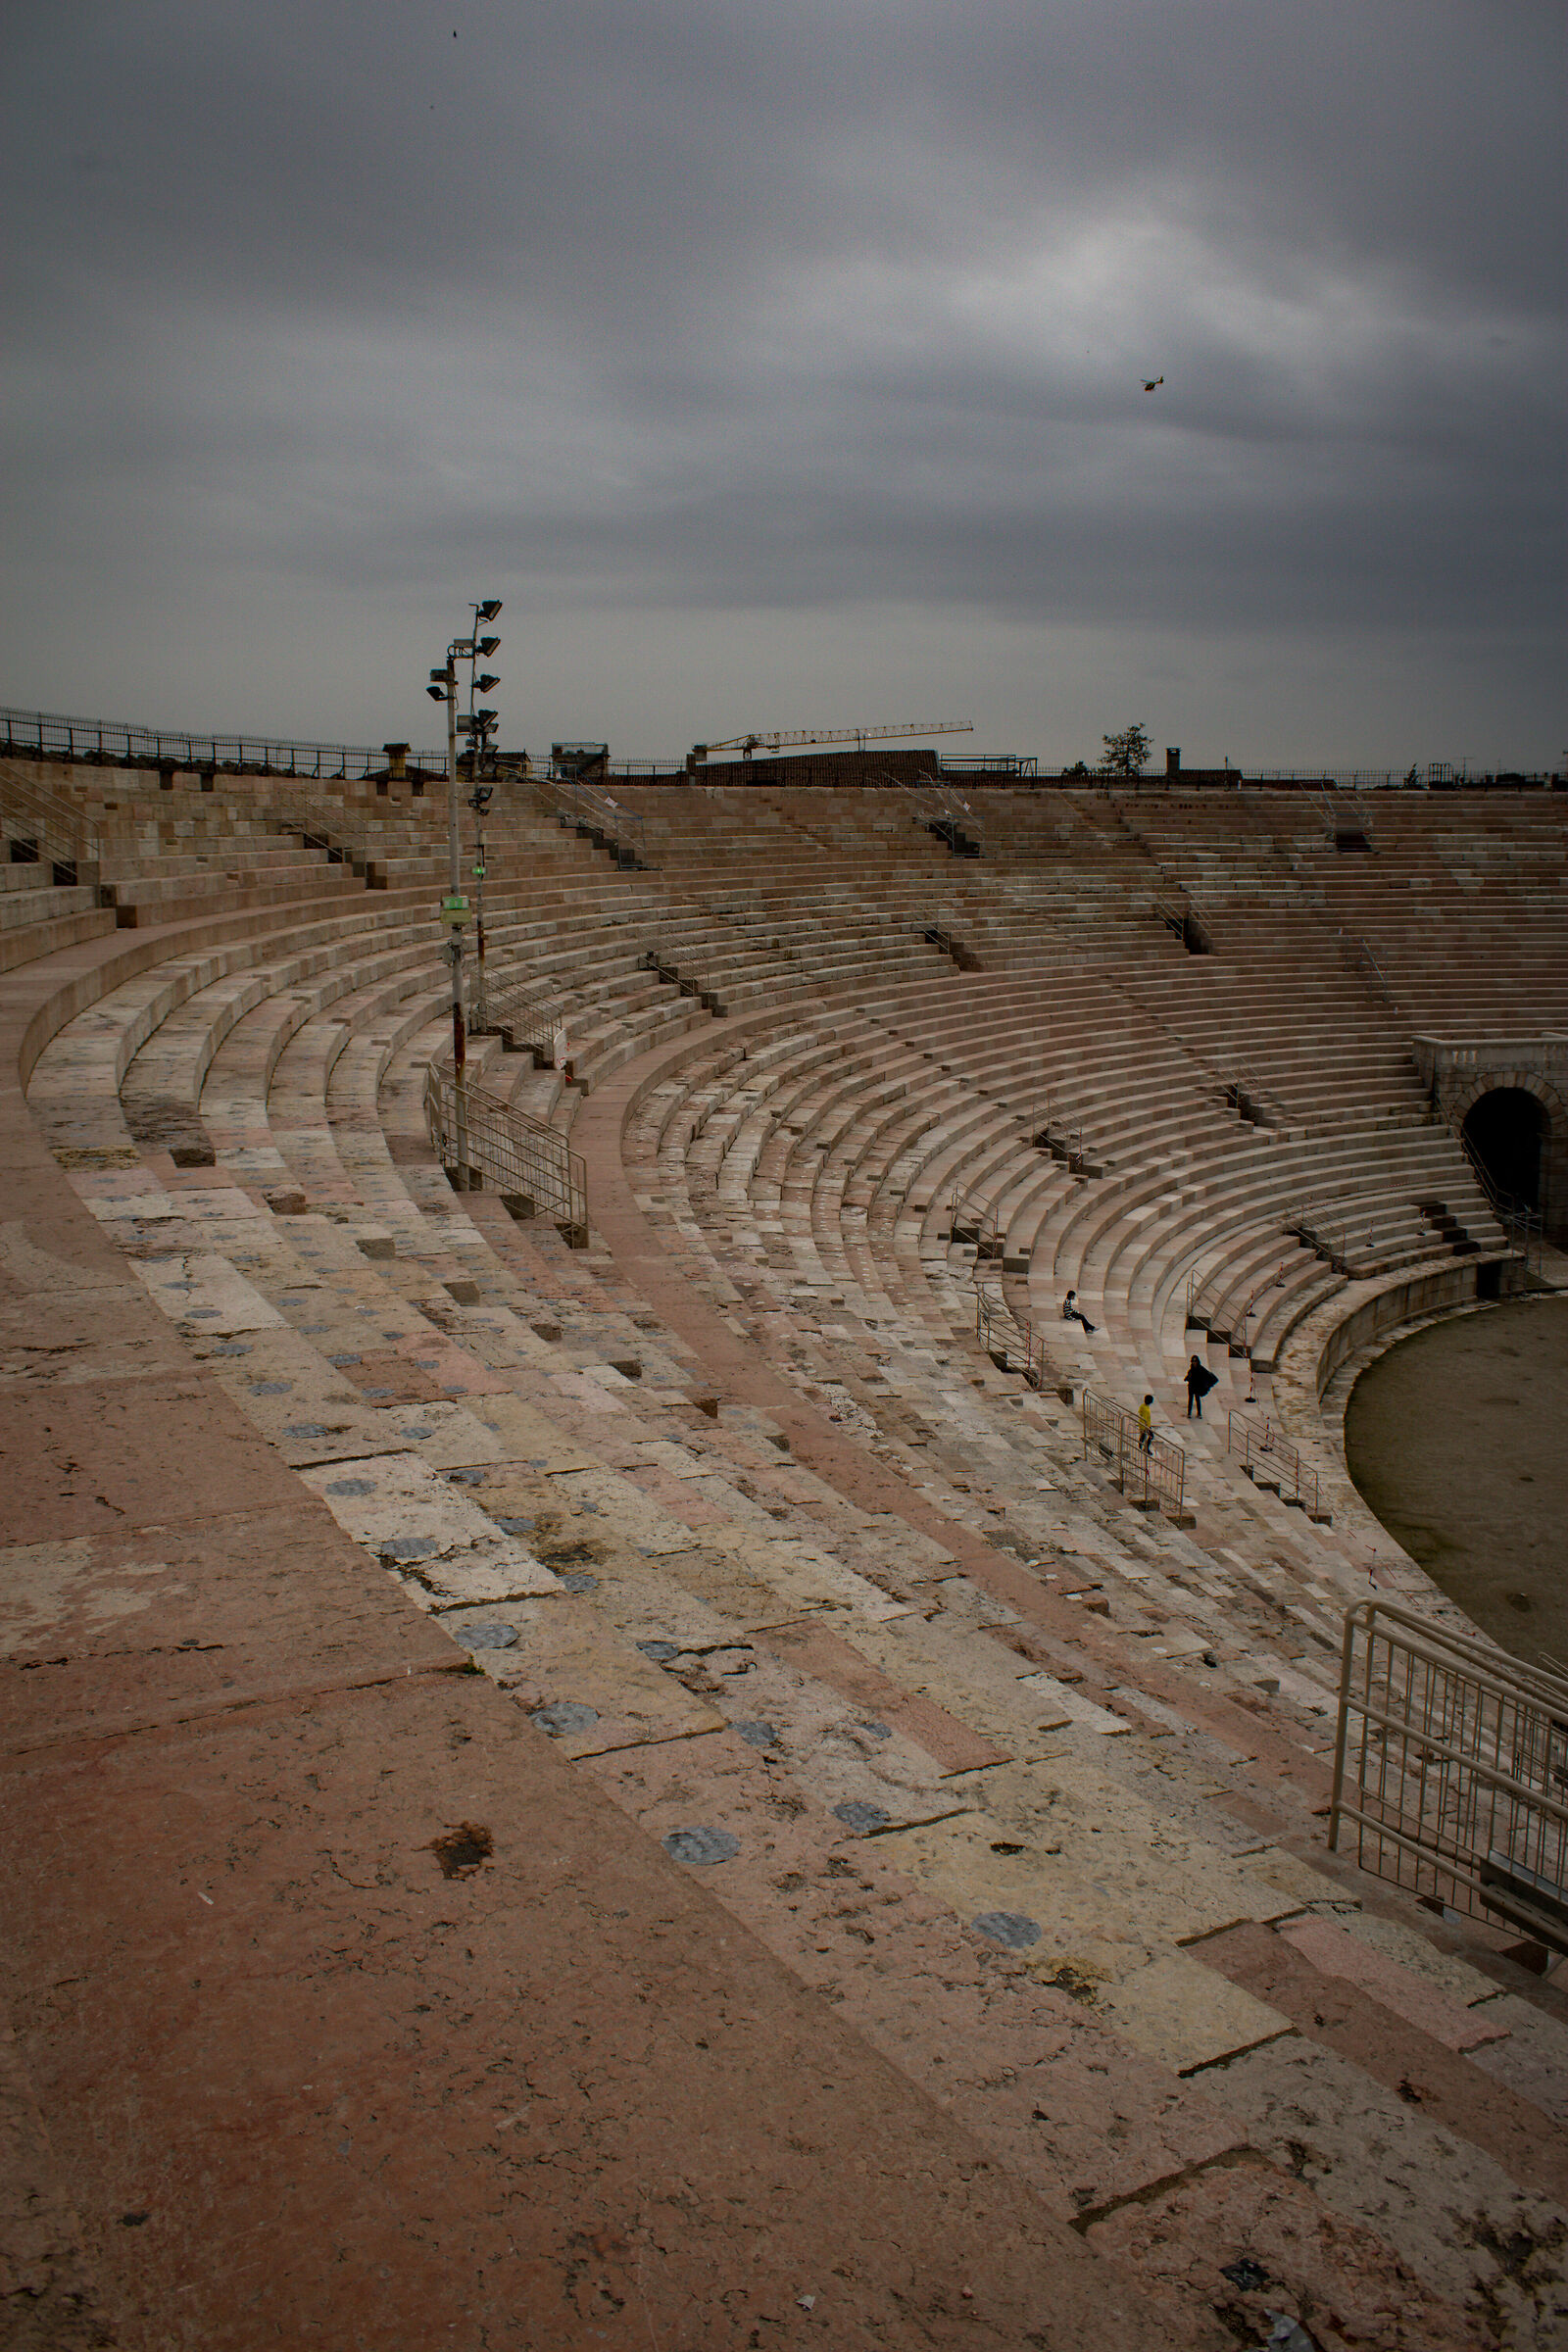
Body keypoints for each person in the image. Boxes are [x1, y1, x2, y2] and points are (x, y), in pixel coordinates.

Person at [1186, 1353, 1218, 1418]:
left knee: (1197, 1399)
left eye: (1195, 1361)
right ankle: (1189, 1413)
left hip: (1197, 1387)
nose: (1194, 1362)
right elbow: (1189, 1376)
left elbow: (1208, 1375)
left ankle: (1199, 1413)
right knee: (1190, 1400)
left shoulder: (1201, 1369)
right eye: (1193, 1361)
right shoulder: (1191, 1369)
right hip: (1191, 1386)